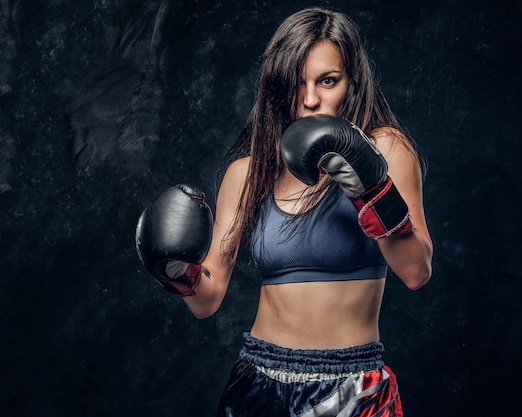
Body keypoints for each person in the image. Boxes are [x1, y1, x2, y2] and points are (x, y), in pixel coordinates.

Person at [135, 6, 432, 417]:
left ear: (354, 81)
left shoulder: (385, 149)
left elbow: (417, 272)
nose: (310, 100)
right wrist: (173, 270)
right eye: (298, 84)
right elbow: (208, 298)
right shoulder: (249, 171)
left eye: (328, 81)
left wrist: (370, 185)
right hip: (257, 380)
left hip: (348, 386)